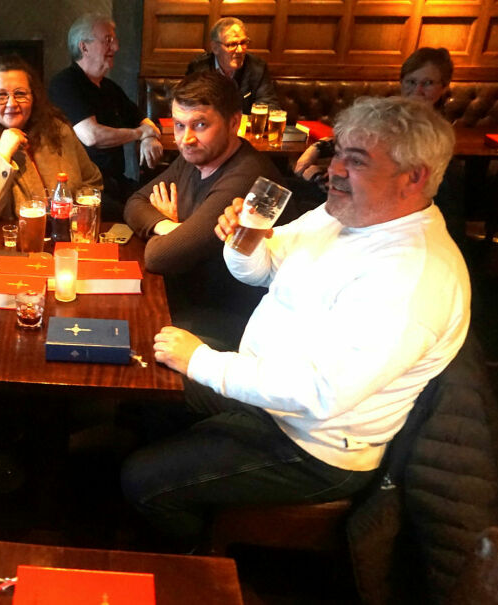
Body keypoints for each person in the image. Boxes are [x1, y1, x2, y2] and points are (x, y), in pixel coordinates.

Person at [121, 96, 470, 546]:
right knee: (147, 375)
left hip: (313, 445)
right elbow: (263, 267)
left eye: (357, 160)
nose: (336, 170)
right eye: (338, 152)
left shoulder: (412, 276)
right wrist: (242, 242)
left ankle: (196, 561)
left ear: (414, 176)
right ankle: (182, 466)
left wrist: (203, 362)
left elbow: (320, 395)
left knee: (141, 480)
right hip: (271, 393)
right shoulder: (342, 214)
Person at [123, 71, 282, 346]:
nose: (186, 139)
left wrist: (170, 239)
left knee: (128, 333)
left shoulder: (246, 178)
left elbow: (159, 256)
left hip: (225, 320)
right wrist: (172, 227)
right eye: (179, 125)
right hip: (182, 293)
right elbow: (134, 203)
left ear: (234, 123)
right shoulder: (194, 158)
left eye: (200, 125)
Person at [293, 48, 463, 241]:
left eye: (428, 83)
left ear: (444, 87)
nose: (418, 90)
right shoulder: (392, 117)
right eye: (411, 82)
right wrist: (316, 148)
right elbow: (354, 142)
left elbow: (366, 191)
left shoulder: (433, 138)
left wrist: (314, 176)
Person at [0, 55, 103, 221]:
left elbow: (92, 181)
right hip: (7, 244)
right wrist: (2, 155)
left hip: (67, 237)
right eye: (1, 95)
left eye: (20, 93)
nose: (11, 103)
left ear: (34, 97)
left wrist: (79, 220)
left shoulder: (58, 130)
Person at [48, 13, 164, 216]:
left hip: (114, 182)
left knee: (160, 201)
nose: (116, 47)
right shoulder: (64, 84)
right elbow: (92, 136)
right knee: (141, 216)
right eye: (108, 40)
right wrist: (140, 134)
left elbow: (144, 120)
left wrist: (150, 137)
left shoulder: (109, 87)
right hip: (82, 190)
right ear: (84, 47)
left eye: (115, 40)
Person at [186, 17, 279, 114]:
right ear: (215, 47)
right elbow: (188, 104)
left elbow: (270, 105)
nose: (239, 50)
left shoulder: (257, 68)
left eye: (243, 43)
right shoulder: (198, 68)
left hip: (244, 127)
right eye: (232, 44)